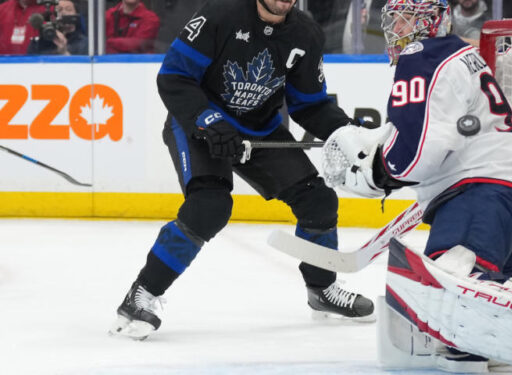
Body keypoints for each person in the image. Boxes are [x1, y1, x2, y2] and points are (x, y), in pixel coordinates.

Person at [109, 0, 375, 340]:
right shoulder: (220, 14)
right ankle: (142, 293)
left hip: (259, 130)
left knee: (318, 202)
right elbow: (175, 77)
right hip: (198, 124)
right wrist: (208, 121)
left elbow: (311, 106)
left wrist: (347, 133)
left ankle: (322, 290)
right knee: (210, 207)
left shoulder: (304, 33)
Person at [323, 0, 512, 370]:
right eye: (392, 21)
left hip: (482, 196)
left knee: (448, 293)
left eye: (406, 20)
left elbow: (421, 150)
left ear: (432, 23)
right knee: (491, 310)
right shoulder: (461, 54)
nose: (397, 30)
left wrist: (382, 173)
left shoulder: (421, 55)